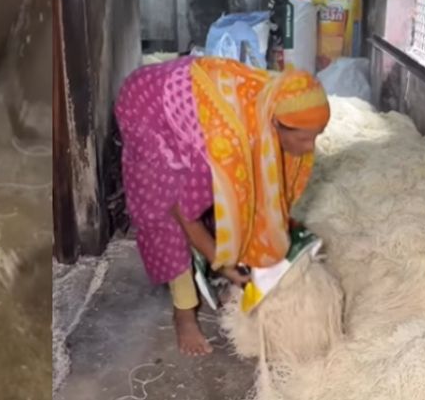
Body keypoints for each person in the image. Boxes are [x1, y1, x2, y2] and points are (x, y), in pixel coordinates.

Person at [114, 56, 330, 356]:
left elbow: (263, 196)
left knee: (241, 192)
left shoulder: (275, 101)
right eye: (305, 138)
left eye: (316, 137)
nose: (310, 148)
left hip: (187, 95)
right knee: (165, 210)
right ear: (277, 126)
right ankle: (184, 314)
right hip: (146, 106)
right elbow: (183, 212)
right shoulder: (224, 145)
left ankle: (223, 263)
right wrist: (221, 260)